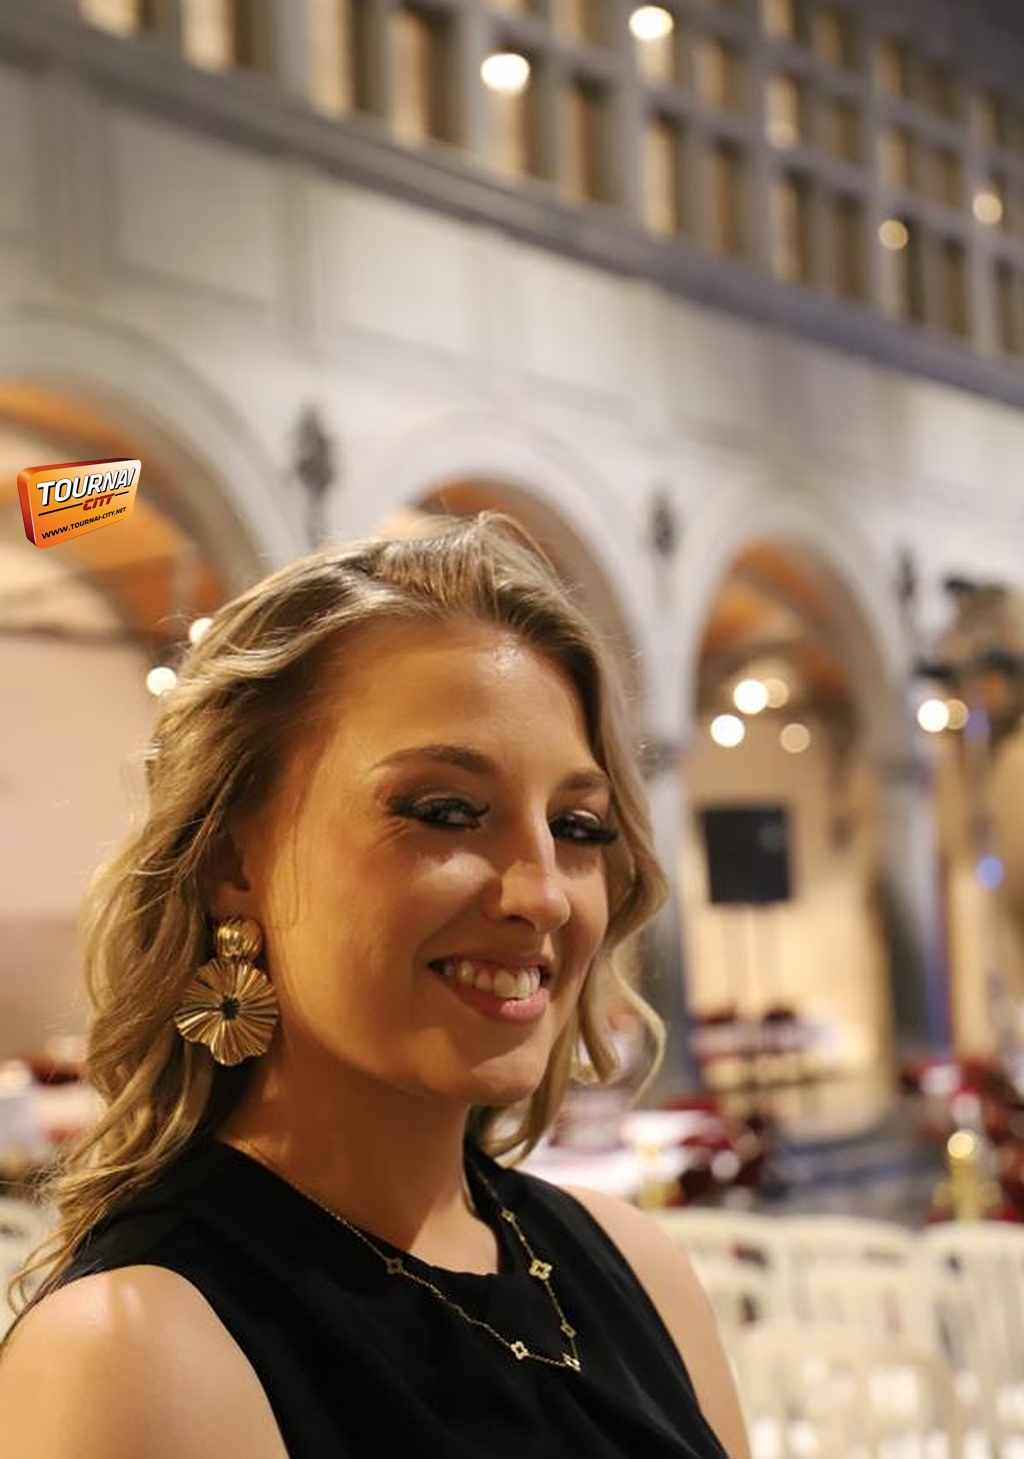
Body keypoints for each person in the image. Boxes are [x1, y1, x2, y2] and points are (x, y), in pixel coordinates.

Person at [0, 514, 750, 1459]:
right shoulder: (135, 1354)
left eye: (578, 827)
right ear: (234, 863)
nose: (544, 895)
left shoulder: (639, 1268)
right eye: (446, 811)